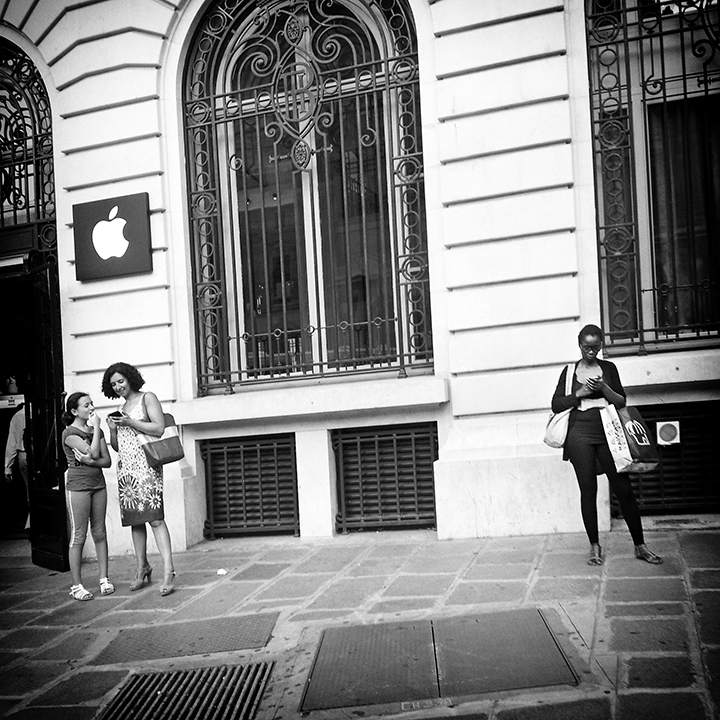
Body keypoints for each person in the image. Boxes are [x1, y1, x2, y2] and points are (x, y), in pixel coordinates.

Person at [551, 324, 663, 566]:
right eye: (586, 347)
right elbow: (556, 404)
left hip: (610, 432)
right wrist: (579, 393)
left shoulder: (609, 368)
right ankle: (594, 547)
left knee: (624, 489)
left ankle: (640, 546)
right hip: (579, 433)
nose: (591, 351)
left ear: (601, 345)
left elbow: (621, 401)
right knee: (588, 490)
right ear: (579, 345)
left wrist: (603, 388)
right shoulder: (570, 371)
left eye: (595, 347)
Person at [101, 362, 176, 596]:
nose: (118, 387)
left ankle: (168, 571)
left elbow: (159, 428)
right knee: (135, 521)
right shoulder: (122, 407)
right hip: (126, 471)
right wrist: (113, 429)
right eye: (113, 384)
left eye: (120, 381)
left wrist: (131, 422)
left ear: (131, 378)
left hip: (147, 466)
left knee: (155, 518)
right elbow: (117, 446)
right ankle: (142, 567)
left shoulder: (147, 398)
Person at [62, 392, 114, 601]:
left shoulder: (96, 431)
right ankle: (76, 586)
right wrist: (96, 433)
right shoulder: (69, 433)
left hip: (98, 485)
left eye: (91, 403)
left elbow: (106, 461)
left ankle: (104, 579)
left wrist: (92, 460)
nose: (91, 407)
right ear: (75, 411)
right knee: (79, 536)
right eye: (86, 405)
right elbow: (93, 453)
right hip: (78, 488)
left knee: (100, 532)